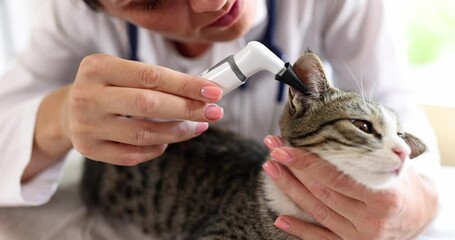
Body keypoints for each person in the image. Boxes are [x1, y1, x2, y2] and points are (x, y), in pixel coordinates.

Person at [0, 0, 440, 239]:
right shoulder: (69, 13)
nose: (211, 3)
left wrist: (411, 206)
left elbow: (396, 114)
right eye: (152, 0)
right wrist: (59, 115)